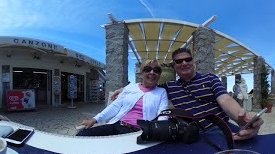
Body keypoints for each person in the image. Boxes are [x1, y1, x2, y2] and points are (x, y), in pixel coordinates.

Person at [111, 48, 261, 141]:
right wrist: (125, 89)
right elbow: (147, 85)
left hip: (216, 128)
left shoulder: (210, 78)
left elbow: (225, 99)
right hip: (189, 133)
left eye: (187, 59)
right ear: (174, 66)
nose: (184, 63)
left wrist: (240, 116)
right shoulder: (170, 86)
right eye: (179, 61)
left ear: (193, 62)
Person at [76, 60, 168, 136]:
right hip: (117, 125)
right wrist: (94, 119)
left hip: (139, 132)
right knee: (82, 136)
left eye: (156, 70)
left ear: (159, 74)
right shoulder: (130, 87)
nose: (152, 72)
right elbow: (115, 106)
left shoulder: (161, 92)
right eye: (147, 69)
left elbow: (163, 114)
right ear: (141, 74)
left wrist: (158, 130)